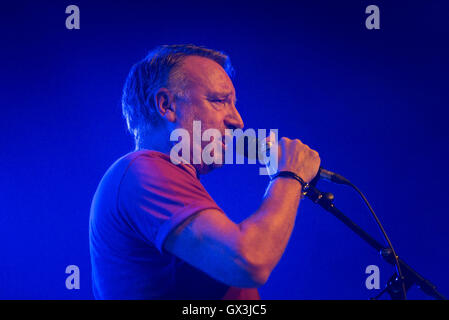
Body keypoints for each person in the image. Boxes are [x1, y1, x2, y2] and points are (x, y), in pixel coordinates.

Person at [89, 44, 321, 299]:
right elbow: (250, 260)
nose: (237, 120)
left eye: (233, 104)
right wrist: (289, 176)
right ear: (166, 105)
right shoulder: (143, 169)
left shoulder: (165, 176)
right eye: (219, 101)